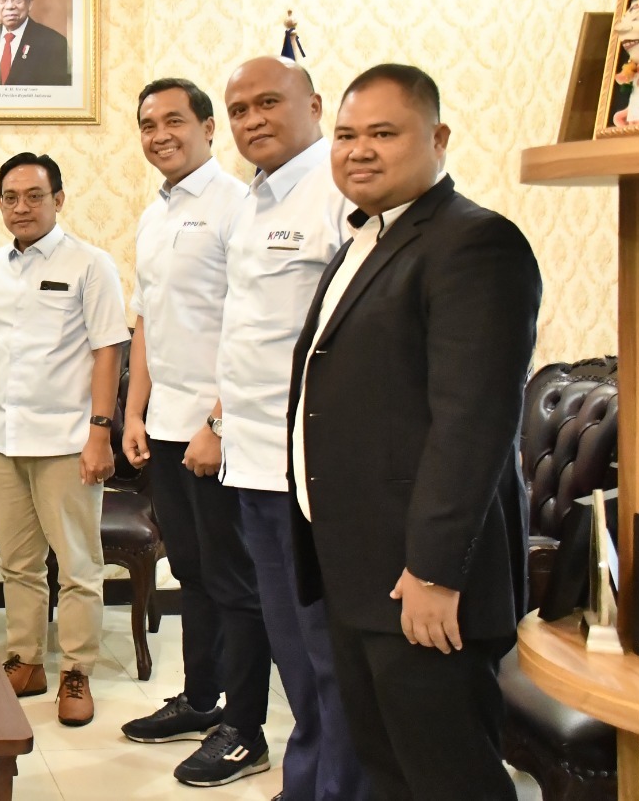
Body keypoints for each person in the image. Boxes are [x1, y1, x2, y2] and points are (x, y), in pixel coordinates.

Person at [289, 64, 539, 800]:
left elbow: (473, 423)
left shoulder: (474, 243)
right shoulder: (363, 242)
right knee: (390, 772)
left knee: (449, 779)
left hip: (423, 583)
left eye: (383, 133)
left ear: (438, 138)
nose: (359, 151)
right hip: (359, 573)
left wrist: (434, 572)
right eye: (345, 135)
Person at [213, 56, 369, 801]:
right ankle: (306, 781)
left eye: (268, 102)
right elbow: (250, 333)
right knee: (294, 653)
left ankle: (338, 787)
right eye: (240, 110)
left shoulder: (339, 192)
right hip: (253, 461)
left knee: (328, 653)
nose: (253, 120)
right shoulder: (252, 200)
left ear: (314, 105)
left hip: (313, 473)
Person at [120, 79, 275, 788]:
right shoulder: (154, 213)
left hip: (220, 430)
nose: (159, 135)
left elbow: (253, 327)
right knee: (190, 571)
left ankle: (245, 730)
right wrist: (135, 414)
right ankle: (200, 699)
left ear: (209, 128)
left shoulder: (239, 207)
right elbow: (146, 324)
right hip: (165, 425)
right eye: (148, 124)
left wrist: (217, 422)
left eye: (174, 121)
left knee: (234, 580)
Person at [0, 152, 127, 728]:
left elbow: (108, 352)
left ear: (58, 199)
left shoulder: (90, 264)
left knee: (77, 564)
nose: (21, 207)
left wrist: (100, 433)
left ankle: (76, 670)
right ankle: (25, 659)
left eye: (34, 196)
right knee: (19, 563)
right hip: (3, 440)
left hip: (68, 440)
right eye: (10, 197)